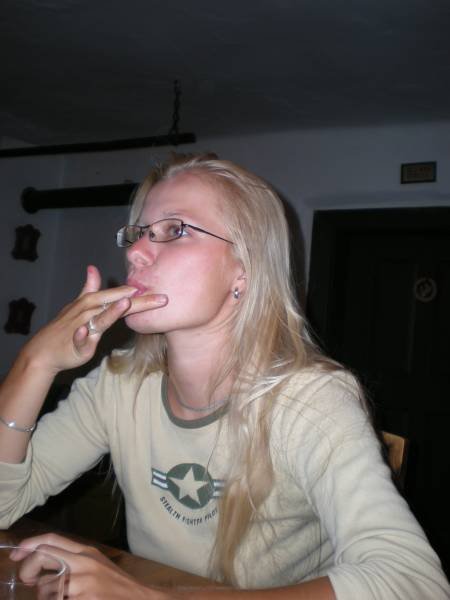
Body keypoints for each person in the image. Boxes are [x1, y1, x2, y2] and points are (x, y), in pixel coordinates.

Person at [0, 153, 449, 600]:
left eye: (174, 230)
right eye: (137, 233)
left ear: (244, 271)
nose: (135, 252)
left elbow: (413, 583)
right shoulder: (119, 384)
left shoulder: (311, 401)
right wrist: (36, 363)